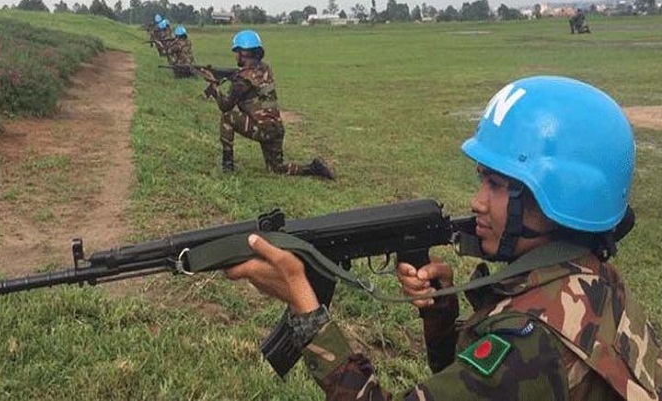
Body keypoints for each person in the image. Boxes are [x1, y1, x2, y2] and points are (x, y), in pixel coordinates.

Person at [224, 76, 662, 399]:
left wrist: (304, 307)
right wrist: (441, 317)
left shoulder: (532, 340)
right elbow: (479, 383)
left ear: (556, 196)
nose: (477, 202)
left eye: (496, 185)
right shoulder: (595, 279)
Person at [200, 30, 334, 179]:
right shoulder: (265, 69)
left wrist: (213, 85)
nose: (235, 55)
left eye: (236, 51)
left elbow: (225, 106)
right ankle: (313, 168)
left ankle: (227, 166)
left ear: (244, 53)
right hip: (276, 128)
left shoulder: (242, 80)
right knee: (276, 169)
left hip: (263, 129)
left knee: (227, 117)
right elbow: (248, 77)